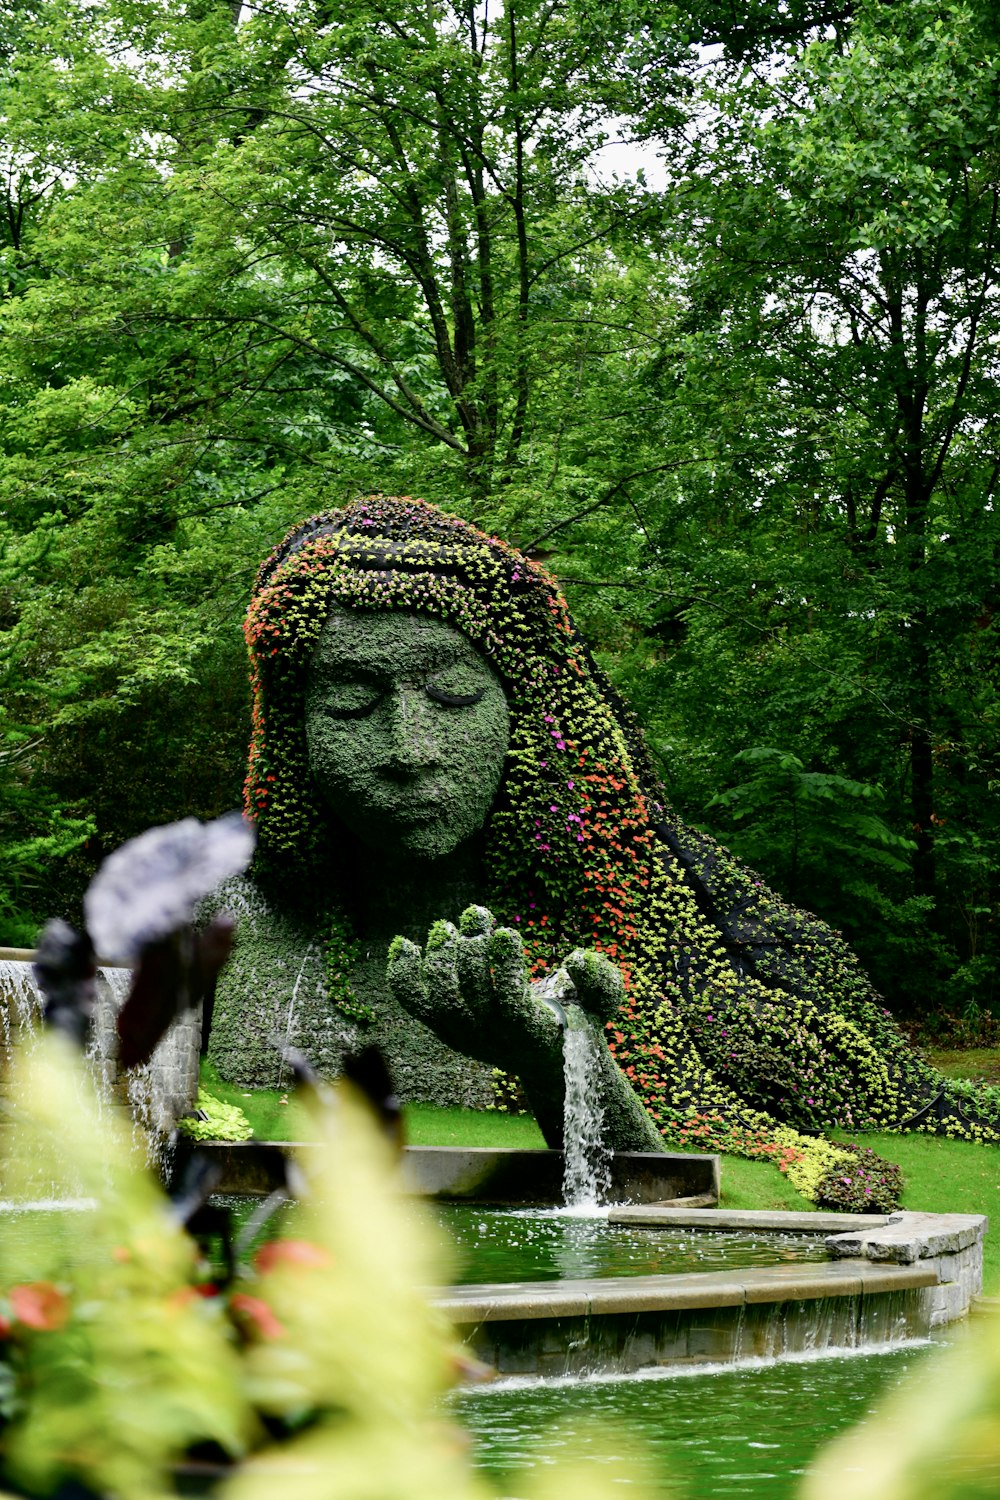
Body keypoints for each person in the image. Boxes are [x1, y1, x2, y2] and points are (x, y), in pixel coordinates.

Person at [208, 495, 998, 1192]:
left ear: (527, 719)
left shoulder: (607, 928)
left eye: (451, 695)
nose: (409, 748)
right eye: (350, 701)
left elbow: (641, 1191)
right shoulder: (222, 922)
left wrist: (544, 1054)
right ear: (289, 731)